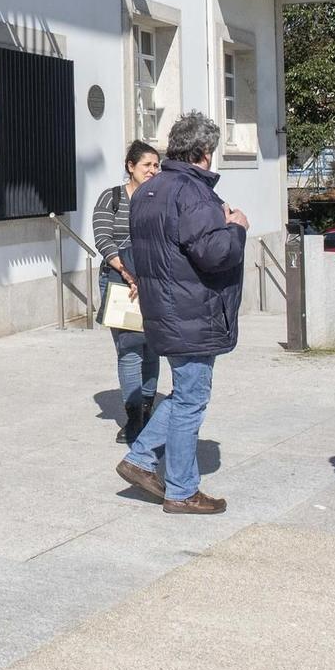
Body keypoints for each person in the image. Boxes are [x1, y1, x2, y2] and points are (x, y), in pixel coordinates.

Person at [113, 112, 246, 514]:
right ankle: (182, 490)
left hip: (165, 307)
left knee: (185, 391)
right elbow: (214, 253)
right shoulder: (192, 192)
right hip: (194, 310)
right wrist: (236, 227)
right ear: (204, 152)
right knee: (192, 398)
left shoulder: (150, 191)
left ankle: (139, 459)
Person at [94, 141, 162, 443]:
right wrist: (127, 271)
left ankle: (147, 410)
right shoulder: (112, 198)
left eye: (156, 165)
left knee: (153, 347)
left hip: (154, 283)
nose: (153, 170)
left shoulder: (160, 198)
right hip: (119, 282)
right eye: (147, 164)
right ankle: (133, 416)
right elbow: (103, 238)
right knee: (129, 349)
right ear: (130, 166)